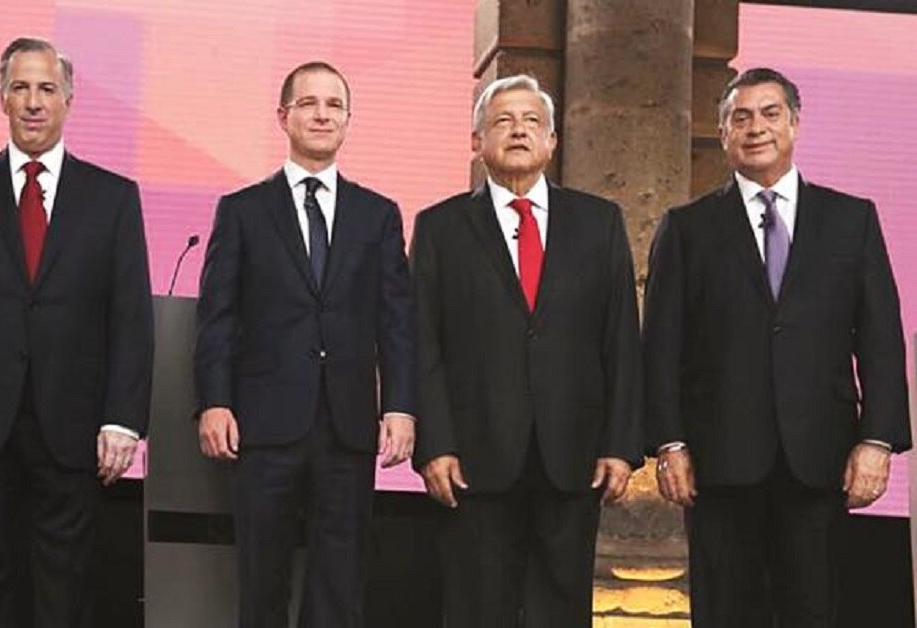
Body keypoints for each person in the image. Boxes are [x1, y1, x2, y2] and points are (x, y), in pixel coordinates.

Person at [643, 67, 911, 627]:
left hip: (820, 459)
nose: (755, 127)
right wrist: (668, 443)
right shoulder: (686, 227)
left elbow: (881, 338)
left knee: (814, 611)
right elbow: (660, 348)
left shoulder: (851, 220)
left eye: (769, 114)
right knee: (724, 613)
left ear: (794, 123)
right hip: (718, 463)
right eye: (740, 117)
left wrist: (878, 440)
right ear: (722, 134)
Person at [0, 37, 153, 627]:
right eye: (20, 87)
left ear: (68, 99)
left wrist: (122, 419)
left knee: (64, 595)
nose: (34, 102)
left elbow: (130, 318)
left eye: (46, 88)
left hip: (73, 429)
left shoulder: (114, 198)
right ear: (1, 98)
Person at [411, 74, 643, 627]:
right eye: (502, 121)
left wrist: (621, 445)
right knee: (475, 609)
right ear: (476, 141)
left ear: (553, 140)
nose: (518, 131)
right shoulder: (440, 227)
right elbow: (422, 344)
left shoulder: (599, 221)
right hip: (474, 458)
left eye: (532, 121)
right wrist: (434, 445)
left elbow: (621, 339)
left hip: (573, 456)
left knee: (561, 611)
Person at [194, 61, 416, 628]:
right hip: (263, 425)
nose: (322, 114)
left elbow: (396, 320)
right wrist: (214, 401)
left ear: (347, 120)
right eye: (309, 103)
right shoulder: (242, 210)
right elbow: (218, 316)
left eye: (334, 105)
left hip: (346, 425)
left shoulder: (379, 215)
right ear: (283, 116)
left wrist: (399, 405)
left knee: (339, 585)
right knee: (261, 581)